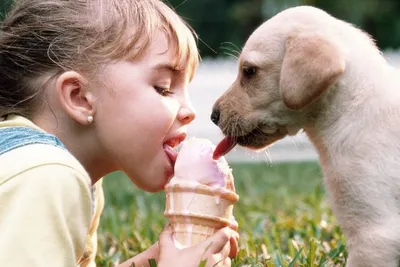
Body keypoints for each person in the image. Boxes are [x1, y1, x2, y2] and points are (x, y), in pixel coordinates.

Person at [0, 0, 239, 266]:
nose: (190, 111)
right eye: (163, 87)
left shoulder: (51, 171)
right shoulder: (47, 174)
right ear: (79, 97)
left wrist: (150, 261)